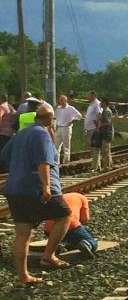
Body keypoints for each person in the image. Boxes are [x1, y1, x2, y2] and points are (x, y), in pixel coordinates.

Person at [0, 104, 71, 284]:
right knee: (65, 216)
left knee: (22, 233)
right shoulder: (42, 134)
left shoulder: (20, 134)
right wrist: (46, 187)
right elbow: (43, 163)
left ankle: (23, 276)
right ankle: (48, 256)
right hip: (35, 188)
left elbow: (5, 157)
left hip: (15, 189)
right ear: (50, 119)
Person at [43, 192, 97, 258]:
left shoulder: (62, 197)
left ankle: (60, 244)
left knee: (69, 235)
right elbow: (85, 219)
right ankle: (87, 243)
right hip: (69, 224)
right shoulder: (83, 198)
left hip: (48, 228)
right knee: (92, 241)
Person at [54, 95, 83, 164]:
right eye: (59, 100)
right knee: (56, 146)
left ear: (65, 100)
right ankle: (56, 162)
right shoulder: (58, 108)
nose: (60, 101)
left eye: (61, 100)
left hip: (66, 128)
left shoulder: (70, 108)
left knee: (66, 146)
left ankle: (66, 161)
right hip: (59, 127)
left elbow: (79, 116)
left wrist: (72, 121)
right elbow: (54, 116)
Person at [91, 97, 113, 172]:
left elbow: (108, 122)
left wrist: (100, 125)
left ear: (105, 103)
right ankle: (108, 166)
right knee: (106, 151)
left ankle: (106, 168)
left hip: (106, 134)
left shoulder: (106, 111)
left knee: (105, 151)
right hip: (105, 133)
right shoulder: (104, 111)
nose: (100, 103)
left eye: (102, 102)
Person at [0, 94, 16, 172]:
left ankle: (3, 168)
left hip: (2, 132)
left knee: (2, 150)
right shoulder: (10, 106)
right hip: (10, 132)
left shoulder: (2, 106)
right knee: (7, 150)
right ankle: (7, 167)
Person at [84, 91, 102, 159]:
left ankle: (96, 167)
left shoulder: (97, 104)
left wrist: (96, 125)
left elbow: (99, 114)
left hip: (93, 129)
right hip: (89, 129)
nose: (87, 97)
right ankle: (96, 166)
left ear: (93, 96)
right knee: (92, 148)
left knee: (95, 148)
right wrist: (85, 129)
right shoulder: (91, 104)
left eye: (88, 96)